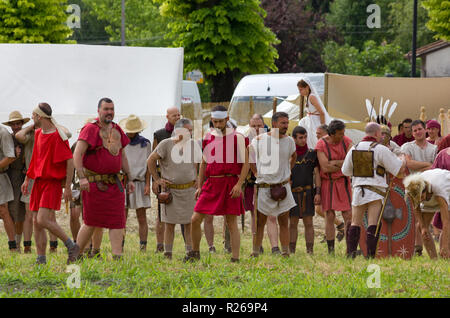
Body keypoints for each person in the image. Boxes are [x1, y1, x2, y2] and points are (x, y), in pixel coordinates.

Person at [185, 105, 249, 262]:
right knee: (195, 219)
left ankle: (235, 258)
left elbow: (247, 163)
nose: (218, 125)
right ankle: (194, 252)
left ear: (227, 119)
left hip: (230, 183)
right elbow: (204, 163)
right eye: (215, 122)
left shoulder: (238, 137)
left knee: (231, 221)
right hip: (212, 183)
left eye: (221, 122)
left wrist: (239, 184)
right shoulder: (208, 137)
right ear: (212, 120)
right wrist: (200, 185)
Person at [74, 97, 135, 260]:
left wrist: (129, 179)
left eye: (112, 109)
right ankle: (76, 255)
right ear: (98, 110)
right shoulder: (90, 129)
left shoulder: (117, 129)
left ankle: (117, 257)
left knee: (118, 221)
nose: (109, 112)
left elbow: (122, 155)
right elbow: (77, 154)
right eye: (106, 109)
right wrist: (82, 178)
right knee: (91, 222)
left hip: (115, 184)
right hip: (95, 184)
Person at [21, 102, 78, 264]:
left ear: (39, 116)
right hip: (38, 182)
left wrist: (67, 187)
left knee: (43, 219)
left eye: (33, 114)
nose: (32, 117)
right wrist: (27, 179)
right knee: (36, 221)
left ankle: (71, 245)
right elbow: (35, 159)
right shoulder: (38, 133)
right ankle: (41, 259)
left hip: (51, 183)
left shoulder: (57, 136)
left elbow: (69, 161)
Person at [342, 123, 406, 258]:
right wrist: (402, 159)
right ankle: (370, 256)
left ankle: (350, 255)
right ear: (377, 134)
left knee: (355, 222)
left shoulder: (354, 148)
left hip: (359, 189)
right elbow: (398, 170)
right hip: (376, 191)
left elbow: (345, 171)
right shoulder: (381, 149)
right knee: (373, 223)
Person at [148, 118, 199, 259]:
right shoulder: (166, 144)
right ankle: (167, 253)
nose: (190, 133)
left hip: (189, 190)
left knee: (189, 223)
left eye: (191, 130)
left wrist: (198, 179)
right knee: (169, 224)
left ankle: (190, 252)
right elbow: (150, 160)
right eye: (187, 130)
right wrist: (157, 179)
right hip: (171, 191)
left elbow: (198, 162)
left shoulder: (193, 144)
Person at [250, 112, 297, 257]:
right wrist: (256, 173)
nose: (286, 126)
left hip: (283, 186)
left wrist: (288, 172)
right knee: (260, 223)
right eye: (283, 123)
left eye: (287, 123)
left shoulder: (289, 141)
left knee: (284, 221)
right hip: (265, 187)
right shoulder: (260, 140)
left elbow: (294, 156)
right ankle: (255, 251)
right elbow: (250, 156)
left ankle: (285, 252)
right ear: (274, 124)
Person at [400, 119, 438, 256]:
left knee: (424, 219)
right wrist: (428, 165)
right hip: (413, 186)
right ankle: (417, 248)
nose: (417, 132)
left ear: (425, 129)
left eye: (419, 129)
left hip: (429, 187)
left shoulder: (434, 148)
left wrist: (422, 166)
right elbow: (409, 164)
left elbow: (436, 167)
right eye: (414, 130)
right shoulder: (407, 146)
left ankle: (419, 248)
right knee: (416, 218)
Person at [315, 120, 353, 254]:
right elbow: (325, 167)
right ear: (332, 134)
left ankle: (351, 248)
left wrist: (335, 163)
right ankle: (331, 250)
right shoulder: (321, 144)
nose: (343, 135)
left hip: (343, 182)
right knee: (329, 216)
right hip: (328, 183)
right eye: (340, 134)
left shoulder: (347, 141)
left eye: (343, 133)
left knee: (348, 215)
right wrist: (342, 165)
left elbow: (351, 163)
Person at [152, 107, 184, 253]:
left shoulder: (186, 133)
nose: (177, 117)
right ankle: (160, 244)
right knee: (162, 214)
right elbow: (152, 159)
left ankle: (186, 244)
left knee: (185, 215)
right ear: (167, 117)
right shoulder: (159, 134)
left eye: (178, 115)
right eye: (174, 115)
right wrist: (155, 180)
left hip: (183, 180)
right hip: (165, 180)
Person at [247, 114, 279, 254]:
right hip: (255, 183)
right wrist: (255, 174)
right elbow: (249, 160)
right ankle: (257, 245)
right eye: (253, 126)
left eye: (259, 125)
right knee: (256, 216)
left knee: (272, 216)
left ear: (264, 125)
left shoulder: (273, 139)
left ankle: (275, 247)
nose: (256, 128)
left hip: (273, 181)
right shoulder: (248, 140)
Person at [119, 115, 152, 252]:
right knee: (122, 217)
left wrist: (148, 184)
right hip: (124, 181)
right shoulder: (121, 142)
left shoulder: (146, 144)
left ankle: (143, 246)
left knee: (142, 217)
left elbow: (149, 165)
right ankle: (120, 245)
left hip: (140, 181)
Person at [404, 169, 450, 259]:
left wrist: (445, 245)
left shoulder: (439, 189)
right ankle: (434, 260)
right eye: (418, 198)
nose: (420, 200)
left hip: (447, 191)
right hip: (432, 195)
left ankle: (446, 255)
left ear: (425, 190)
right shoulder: (410, 189)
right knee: (421, 228)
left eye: (421, 197)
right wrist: (423, 227)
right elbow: (416, 207)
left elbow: (446, 222)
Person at [289, 126, 321, 254]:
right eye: (301, 137)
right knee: (292, 223)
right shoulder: (290, 155)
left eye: (305, 137)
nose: (304, 140)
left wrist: (317, 192)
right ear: (294, 138)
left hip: (308, 192)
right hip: (292, 192)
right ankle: (291, 250)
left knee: (309, 222)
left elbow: (317, 174)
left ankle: (310, 251)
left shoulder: (312, 154)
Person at [3, 111, 30, 252]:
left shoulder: (27, 137)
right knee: (12, 211)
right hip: (11, 176)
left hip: (24, 176)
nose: (15, 126)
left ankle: (19, 243)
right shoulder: (8, 138)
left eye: (18, 123)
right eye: (13, 124)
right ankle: (13, 243)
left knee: (22, 212)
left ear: (22, 124)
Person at [314, 124, 345, 243]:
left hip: (329, 181)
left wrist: (332, 164)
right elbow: (324, 166)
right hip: (319, 180)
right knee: (321, 210)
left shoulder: (328, 144)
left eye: (319, 133)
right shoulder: (319, 145)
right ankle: (335, 229)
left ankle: (338, 227)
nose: (317, 135)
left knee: (325, 210)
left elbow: (326, 166)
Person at [15, 120, 36, 253]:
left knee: (49, 215)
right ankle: (27, 246)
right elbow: (19, 136)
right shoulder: (30, 136)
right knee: (29, 214)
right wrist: (32, 126)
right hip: (31, 177)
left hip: (46, 178)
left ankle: (53, 246)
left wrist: (53, 123)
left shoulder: (52, 133)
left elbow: (67, 134)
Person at [297, 78, 332, 149]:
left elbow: (322, 113)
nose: (300, 92)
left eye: (301, 89)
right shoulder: (308, 97)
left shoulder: (312, 97)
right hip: (311, 121)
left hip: (316, 122)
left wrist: (322, 127)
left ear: (307, 87)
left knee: (315, 140)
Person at [0, 123, 19, 252]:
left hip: (0, 177)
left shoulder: (3, 132)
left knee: (3, 210)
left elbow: (10, 156)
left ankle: (13, 246)